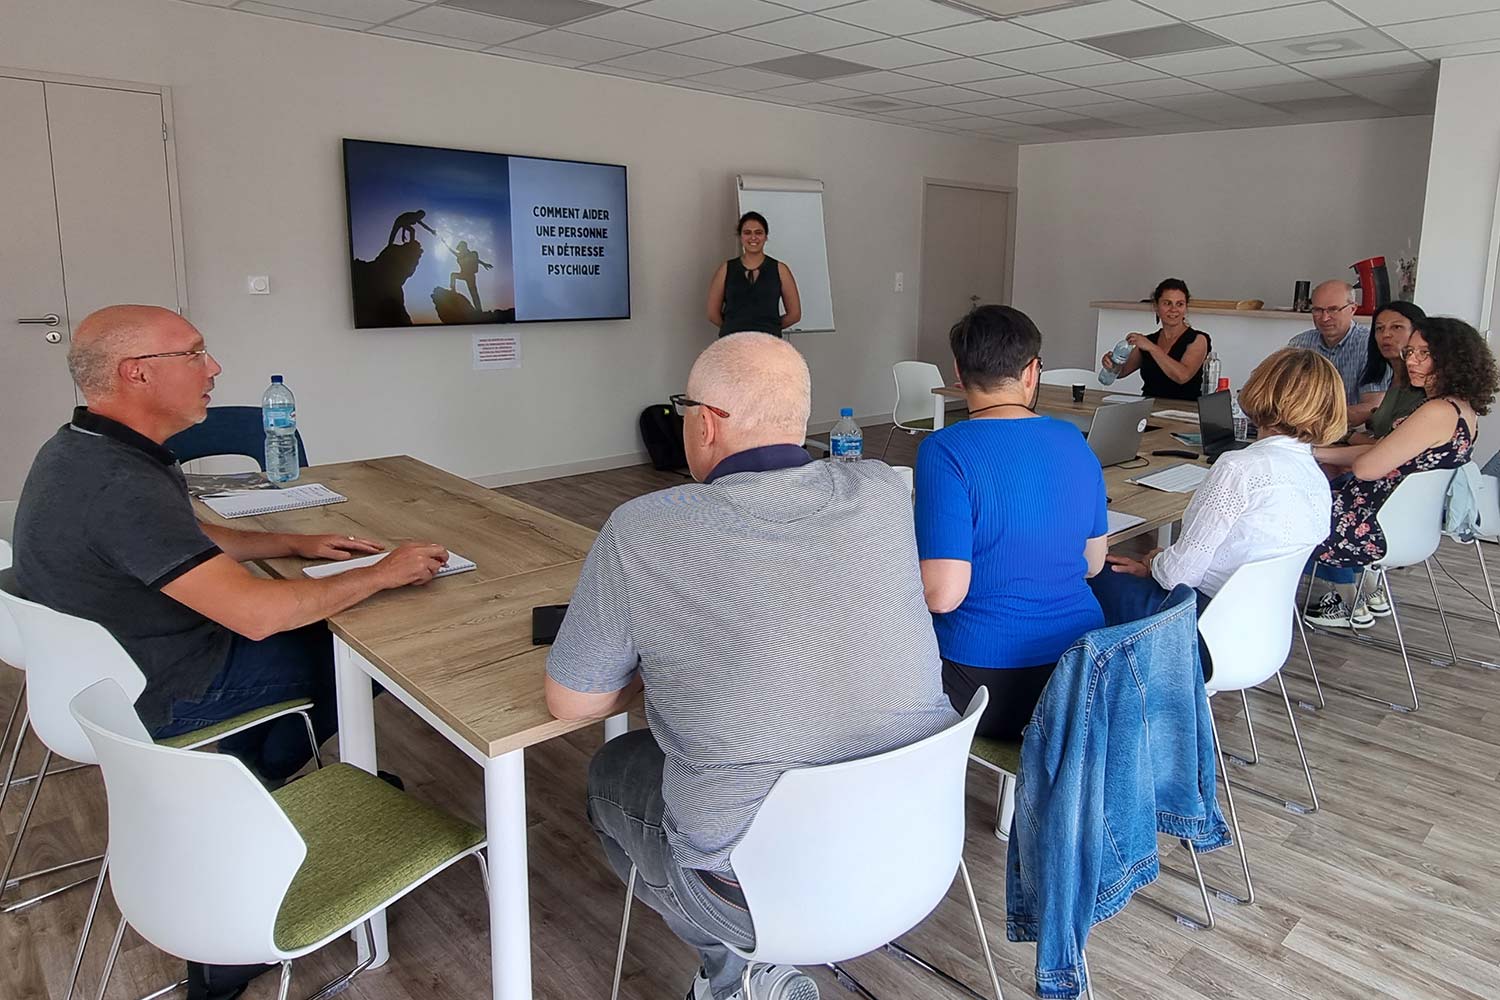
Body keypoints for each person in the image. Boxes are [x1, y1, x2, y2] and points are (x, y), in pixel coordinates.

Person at [545, 332, 955, 1000]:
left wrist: (667, 653)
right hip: (920, 848)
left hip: (755, 892)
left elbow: (572, 702)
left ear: (704, 422)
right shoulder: (883, 493)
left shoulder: (641, 529)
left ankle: (731, 974)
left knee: (610, 774)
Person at [13, 305, 450, 783]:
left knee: (323, 619)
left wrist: (290, 542)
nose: (214, 367)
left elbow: (182, 536)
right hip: (156, 689)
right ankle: (261, 778)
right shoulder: (120, 485)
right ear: (136, 372)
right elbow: (257, 615)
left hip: (104, 670)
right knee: (366, 648)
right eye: (194, 354)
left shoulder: (80, 447)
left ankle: (254, 772)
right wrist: (382, 573)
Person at [916, 305, 1109, 740]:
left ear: (958, 373)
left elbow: (944, 595)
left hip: (988, 685)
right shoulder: (1075, 441)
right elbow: (1094, 563)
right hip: (1081, 677)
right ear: (1031, 372)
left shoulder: (945, 450)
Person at [1090, 348, 1344, 661]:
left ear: (1262, 390)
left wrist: (1156, 561)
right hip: (1263, 636)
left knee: (1092, 574)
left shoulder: (1239, 468)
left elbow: (1176, 577)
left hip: (1204, 629)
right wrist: (1159, 564)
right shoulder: (1314, 476)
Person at [1304, 317, 1499, 628]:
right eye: (1410, 353)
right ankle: (1361, 594)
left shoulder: (1436, 412)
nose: (1413, 361)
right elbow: (1385, 452)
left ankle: (1329, 602)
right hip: (1403, 526)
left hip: (1369, 527)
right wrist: (1313, 451)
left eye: (1425, 354)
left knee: (1274, 511)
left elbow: (1367, 468)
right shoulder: (1461, 410)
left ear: (1452, 359)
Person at [1099, 278, 1211, 400]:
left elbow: (1182, 376)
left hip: (1185, 412)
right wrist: (1111, 365)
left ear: (1185, 307)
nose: (1173, 309)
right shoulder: (1148, 341)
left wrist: (1152, 348)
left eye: (1179, 304)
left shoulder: (1198, 339)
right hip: (1149, 407)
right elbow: (1122, 371)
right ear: (1156, 306)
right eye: (1167, 303)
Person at [705, 211, 802, 338]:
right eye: (747, 233)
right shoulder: (726, 269)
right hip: (732, 343)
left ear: (766, 236)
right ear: (740, 236)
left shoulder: (780, 270)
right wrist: (733, 326)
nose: (753, 237)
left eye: (758, 232)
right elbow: (712, 313)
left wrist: (770, 327)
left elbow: (795, 314)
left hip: (769, 343)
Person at [1289, 280, 1381, 406]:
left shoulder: (1371, 346)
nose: (1324, 318)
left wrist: (1323, 422)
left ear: (1353, 309)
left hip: (1350, 425)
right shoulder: (1298, 344)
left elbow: (1372, 407)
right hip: (1300, 422)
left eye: (1333, 310)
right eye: (1318, 310)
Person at [1348, 301, 1427, 444]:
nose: (1386, 334)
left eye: (1396, 327)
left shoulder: (1423, 384)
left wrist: (1347, 436)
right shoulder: (1388, 376)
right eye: (1379, 328)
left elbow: (1396, 448)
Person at [447, 239, 493, 311]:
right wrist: (445, 243)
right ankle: (453, 290)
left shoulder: (471, 254)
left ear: (464, 247)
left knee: (474, 293)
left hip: (470, 276)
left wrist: (484, 264)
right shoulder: (459, 255)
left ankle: (479, 310)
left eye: (462, 246)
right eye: (460, 247)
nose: (461, 248)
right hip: (463, 274)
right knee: (453, 275)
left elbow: (476, 260)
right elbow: (451, 250)